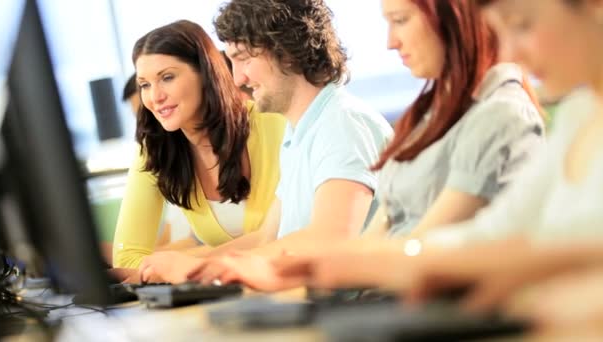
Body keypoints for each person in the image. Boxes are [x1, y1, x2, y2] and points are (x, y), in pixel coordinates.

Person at [262, 0, 603, 322]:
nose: (510, 53)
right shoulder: (578, 114)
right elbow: (495, 232)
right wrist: (334, 263)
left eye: (522, 26)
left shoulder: (504, 113)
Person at [167, 0, 545, 286]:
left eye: (400, 20)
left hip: (395, 296)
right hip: (376, 293)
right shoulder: (425, 118)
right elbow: (376, 235)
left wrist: (275, 269)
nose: (390, 42)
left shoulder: (344, 124)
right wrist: (211, 265)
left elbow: (399, 244)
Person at [137, 0, 393, 283]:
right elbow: (266, 238)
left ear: (287, 51)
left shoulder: (341, 124)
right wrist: (191, 265)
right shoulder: (298, 133)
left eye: (244, 58)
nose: (237, 79)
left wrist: (204, 269)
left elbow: (329, 239)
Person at [111, 20, 287, 269]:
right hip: (230, 293)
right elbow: (127, 258)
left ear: (206, 74)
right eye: (145, 85)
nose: (155, 97)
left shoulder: (274, 123)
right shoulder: (156, 149)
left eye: (167, 77)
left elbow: (287, 235)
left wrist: (186, 264)